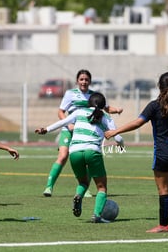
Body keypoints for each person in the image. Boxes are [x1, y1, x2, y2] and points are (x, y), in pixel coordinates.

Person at [105, 72, 168, 233]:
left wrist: (115, 131)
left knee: (164, 190)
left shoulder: (154, 105)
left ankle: (164, 225)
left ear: (159, 86)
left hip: (164, 153)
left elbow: (138, 123)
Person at [36, 92, 124, 223]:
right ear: (103, 105)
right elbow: (118, 137)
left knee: (83, 182)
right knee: (101, 187)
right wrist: (121, 145)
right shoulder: (106, 117)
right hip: (92, 151)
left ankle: (78, 196)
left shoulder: (79, 112)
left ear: (89, 103)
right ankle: (97, 215)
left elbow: (63, 122)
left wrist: (46, 129)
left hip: (75, 152)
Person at [42, 69, 123, 197]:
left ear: (90, 81)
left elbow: (105, 107)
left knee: (87, 158)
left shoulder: (94, 95)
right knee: (63, 156)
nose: (84, 82)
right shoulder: (70, 93)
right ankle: (49, 186)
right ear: (77, 81)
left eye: (86, 79)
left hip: (86, 130)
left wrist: (116, 110)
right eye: (81, 79)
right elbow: (60, 112)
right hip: (69, 129)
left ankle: (85, 189)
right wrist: (68, 125)